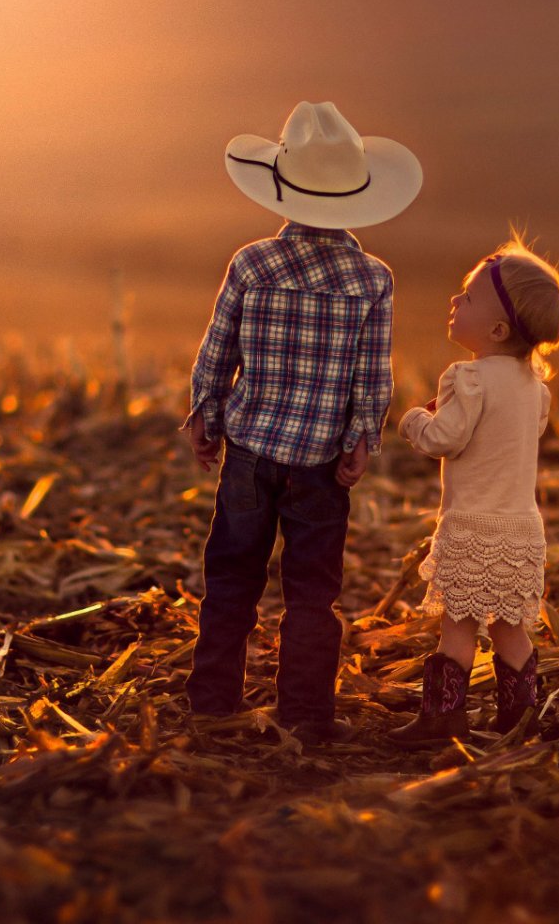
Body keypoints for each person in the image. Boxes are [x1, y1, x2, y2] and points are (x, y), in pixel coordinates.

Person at [183, 100, 422, 746]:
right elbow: (371, 378)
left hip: (250, 453)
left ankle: (212, 703)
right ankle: (307, 716)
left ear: (282, 186)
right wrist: (360, 439)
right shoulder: (373, 279)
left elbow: (218, 350)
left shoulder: (252, 264)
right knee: (313, 595)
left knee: (231, 578)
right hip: (320, 467)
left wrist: (206, 414)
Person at [391, 237, 559, 747]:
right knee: (512, 627)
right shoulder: (536, 387)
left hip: (471, 525)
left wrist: (413, 419)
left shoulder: (465, 377)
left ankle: (443, 716)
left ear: (496, 329)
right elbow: (516, 437)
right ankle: (520, 717)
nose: (454, 302)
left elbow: (446, 439)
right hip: (521, 529)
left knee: (460, 624)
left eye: (466, 298)